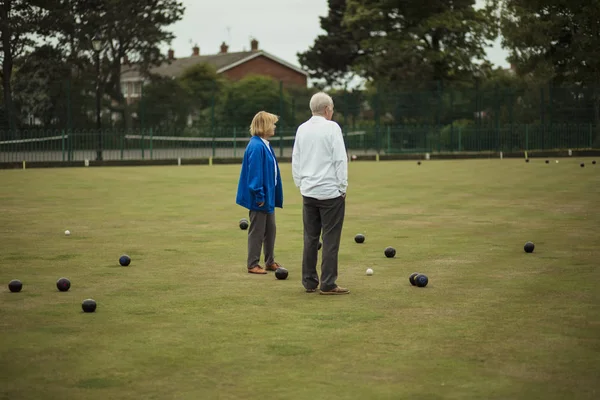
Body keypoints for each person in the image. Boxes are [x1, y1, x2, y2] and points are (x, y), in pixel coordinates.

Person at [292, 92, 349, 295]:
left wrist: (300, 184)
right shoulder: (332, 127)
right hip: (330, 192)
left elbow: (296, 158)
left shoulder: (302, 129)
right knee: (331, 239)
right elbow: (340, 159)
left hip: (308, 192)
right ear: (327, 110)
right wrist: (342, 187)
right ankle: (328, 283)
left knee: (310, 238)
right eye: (331, 109)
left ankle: (309, 282)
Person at [236, 111, 284, 274]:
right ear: (264, 126)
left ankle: (270, 261)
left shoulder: (264, 143)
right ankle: (252, 264)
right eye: (272, 123)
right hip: (260, 197)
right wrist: (259, 195)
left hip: (268, 196)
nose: (275, 126)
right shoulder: (256, 146)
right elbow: (255, 174)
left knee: (271, 229)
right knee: (257, 230)